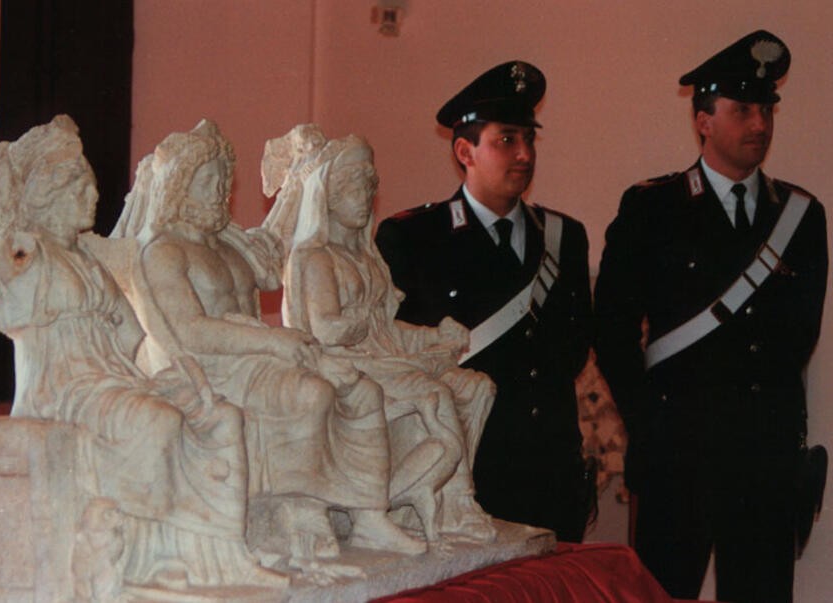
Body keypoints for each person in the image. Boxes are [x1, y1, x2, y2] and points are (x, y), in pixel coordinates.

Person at [0, 115, 286, 590]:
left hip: (114, 376)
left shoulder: (87, 259)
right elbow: (12, 304)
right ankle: (149, 555)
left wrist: (164, 372)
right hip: (62, 389)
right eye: (80, 188)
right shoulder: (28, 253)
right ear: (49, 195)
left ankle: (217, 553)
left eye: (90, 186)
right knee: (160, 421)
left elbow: (131, 335)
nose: (93, 197)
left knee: (221, 416)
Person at [117, 120, 426, 559]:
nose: (220, 190)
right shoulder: (164, 251)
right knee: (311, 394)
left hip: (254, 355)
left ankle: (369, 515)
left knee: (362, 389)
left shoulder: (226, 245)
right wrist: (274, 345)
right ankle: (297, 507)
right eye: (208, 181)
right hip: (208, 367)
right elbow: (191, 331)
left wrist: (297, 187)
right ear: (179, 188)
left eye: (224, 179)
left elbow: (271, 261)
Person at [593, 30, 828, 603]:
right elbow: (613, 329)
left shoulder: (801, 216)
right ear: (703, 120)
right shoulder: (652, 208)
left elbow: (799, 337)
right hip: (679, 456)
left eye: (767, 108)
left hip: (764, 464)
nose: (760, 123)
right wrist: (648, 427)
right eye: (742, 108)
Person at [375, 61, 594, 543]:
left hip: (550, 468)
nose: (524, 154)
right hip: (468, 469)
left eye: (529, 139)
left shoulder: (563, 236)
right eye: (506, 139)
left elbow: (574, 345)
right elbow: (397, 354)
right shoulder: (413, 238)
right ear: (464, 151)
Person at [274, 133, 497, 542]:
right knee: (435, 393)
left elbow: (385, 330)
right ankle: (435, 506)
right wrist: (360, 323)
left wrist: (433, 336)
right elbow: (326, 331)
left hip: (380, 359)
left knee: (477, 386)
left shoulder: (367, 259)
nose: (365, 197)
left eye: (369, 188)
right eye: (355, 188)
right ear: (329, 194)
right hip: (344, 366)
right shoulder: (314, 257)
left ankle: (438, 502)